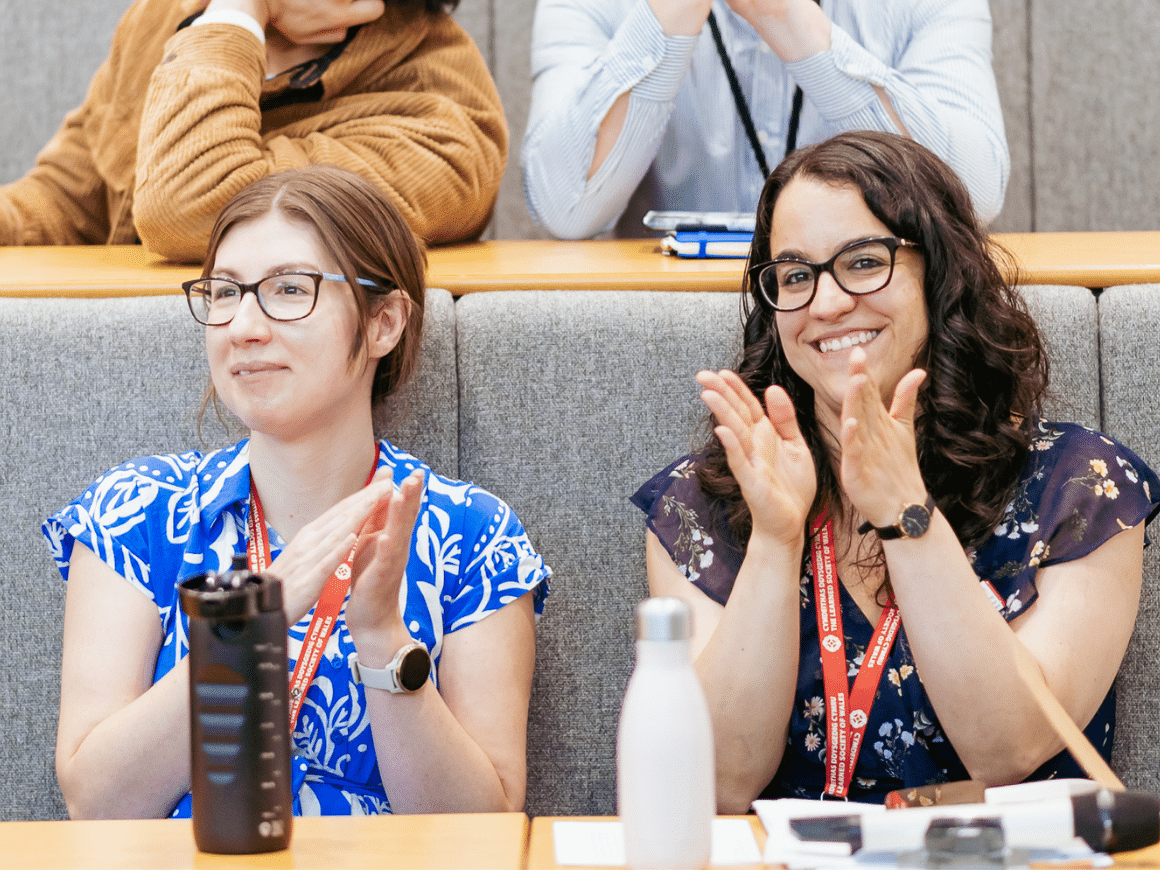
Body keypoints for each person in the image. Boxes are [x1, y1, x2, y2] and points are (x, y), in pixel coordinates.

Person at [631, 131, 1158, 809]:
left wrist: (906, 512)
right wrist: (775, 537)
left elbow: (1010, 748)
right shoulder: (703, 500)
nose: (825, 305)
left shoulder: (1082, 486)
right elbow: (718, 783)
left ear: (939, 271)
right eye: (795, 275)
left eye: (862, 262)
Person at [43, 164, 549, 818]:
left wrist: (380, 638)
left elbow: (483, 829)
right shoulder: (137, 512)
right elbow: (97, 802)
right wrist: (252, 631)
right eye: (224, 293)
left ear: (383, 322)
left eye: (288, 289)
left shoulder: (474, 536)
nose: (242, 327)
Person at [0, 0, 508, 262]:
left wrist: (238, 12)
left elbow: (191, 208)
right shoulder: (167, 16)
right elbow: (64, 203)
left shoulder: (445, 122)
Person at [522, 0, 1009, 240]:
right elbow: (566, 208)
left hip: (861, 318)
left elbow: (971, 195)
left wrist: (787, 17)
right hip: (668, 333)